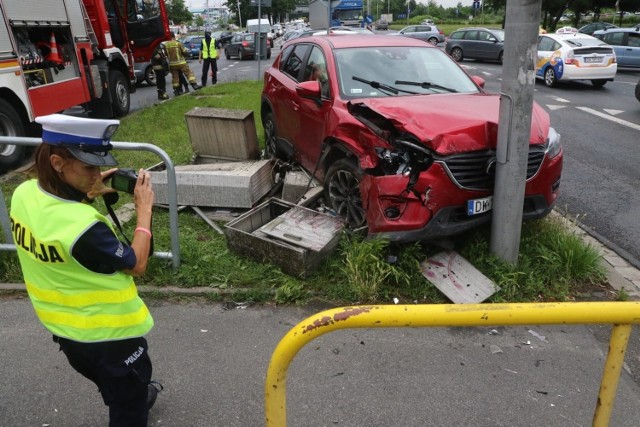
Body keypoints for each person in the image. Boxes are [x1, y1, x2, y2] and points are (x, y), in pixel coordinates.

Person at [10, 114, 161, 426]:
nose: (96, 175)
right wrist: (144, 210)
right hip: (109, 338)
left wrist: (84, 192)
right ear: (57, 163)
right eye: (88, 168)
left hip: (66, 334)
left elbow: (56, 230)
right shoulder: (83, 227)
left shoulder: (23, 195)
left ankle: (128, 393)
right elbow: (138, 264)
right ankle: (131, 400)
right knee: (128, 408)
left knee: (112, 382)